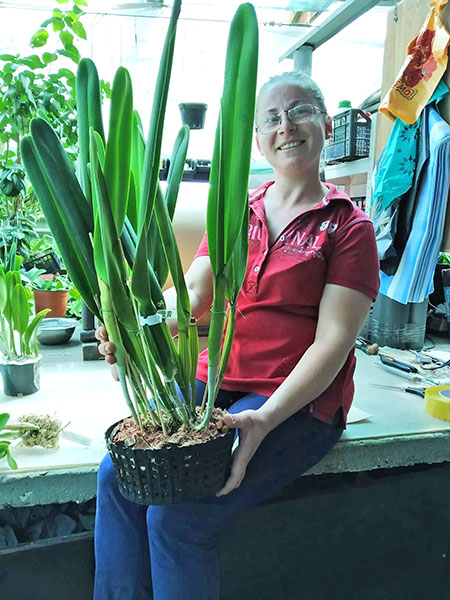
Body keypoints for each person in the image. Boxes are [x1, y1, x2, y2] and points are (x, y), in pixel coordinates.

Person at [94, 71, 379, 600]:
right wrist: (140, 333)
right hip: (214, 381)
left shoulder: (348, 227)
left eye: (299, 110)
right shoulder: (234, 212)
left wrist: (264, 421)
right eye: (271, 117)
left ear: (326, 125)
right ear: (256, 140)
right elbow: (193, 295)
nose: (285, 125)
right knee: (116, 474)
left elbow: (333, 343)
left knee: (177, 520)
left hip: (292, 400)